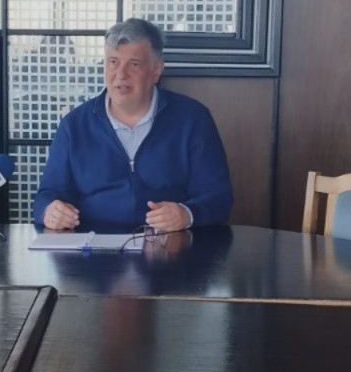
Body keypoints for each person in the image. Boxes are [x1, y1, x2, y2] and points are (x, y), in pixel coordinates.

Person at [33, 18, 233, 232]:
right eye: (113, 62)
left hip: (169, 243)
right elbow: (46, 196)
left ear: (156, 70)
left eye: (134, 64)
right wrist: (49, 211)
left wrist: (187, 214)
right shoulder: (74, 125)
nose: (121, 74)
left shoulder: (193, 119)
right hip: (93, 245)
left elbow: (219, 198)